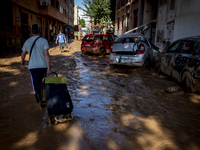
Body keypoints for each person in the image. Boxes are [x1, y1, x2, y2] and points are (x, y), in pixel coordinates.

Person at [21, 24, 52, 108]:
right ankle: (46, 101)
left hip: (33, 68)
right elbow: (46, 55)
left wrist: (22, 61)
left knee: (36, 86)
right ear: (40, 31)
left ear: (31, 32)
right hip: (43, 67)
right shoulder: (44, 41)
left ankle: (39, 104)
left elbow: (23, 54)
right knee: (44, 84)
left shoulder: (27, 41)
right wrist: (49, 68)